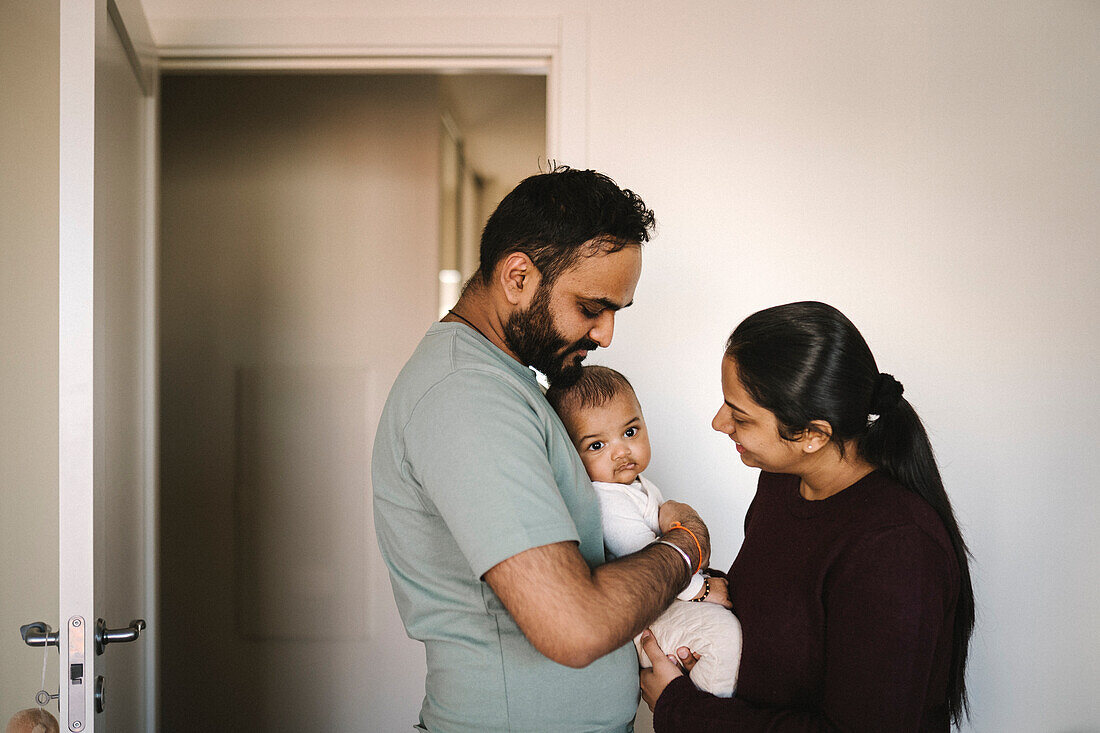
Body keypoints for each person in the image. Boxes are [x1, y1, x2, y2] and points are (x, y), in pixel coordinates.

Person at [372, 166, 712, 733]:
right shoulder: (467, 396)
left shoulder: (505, 382)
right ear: (517, 276)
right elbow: (572, 627)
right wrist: (686, 546)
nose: (605, 336)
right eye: (591, 306)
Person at [640, 301, 976, 732]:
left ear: (813, 435)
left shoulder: (896, 549)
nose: (718, 422)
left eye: (739, 416)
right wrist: (702, 599)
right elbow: (781, 611)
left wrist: (682, 707)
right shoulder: (782, 483)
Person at [546, 365, 743, 698]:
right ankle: (708, 713)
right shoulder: (606, 500)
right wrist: (703, 590)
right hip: (644, 620)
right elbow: (649, 562)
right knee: (723, 636)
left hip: (665, 603)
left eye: (630, 432)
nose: (621, 451)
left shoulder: (635, 486)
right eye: (597, 446)